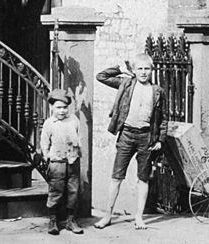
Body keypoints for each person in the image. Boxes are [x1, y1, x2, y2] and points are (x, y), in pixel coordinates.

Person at [94, 54, 168, 230]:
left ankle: (139, 218)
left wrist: (160, 140)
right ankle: (107, 216)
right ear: (134, 70)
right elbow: (101, 76)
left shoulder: (157, 91)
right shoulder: (126, 84)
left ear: (152, 70)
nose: (143, 72)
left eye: (147, 69)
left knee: (143, 178)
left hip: (146, 138)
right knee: (117, 177)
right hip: (126, 134)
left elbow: (163, 118)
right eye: (140, 68)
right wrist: (120, 68)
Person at [39, 88, 84, 235]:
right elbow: (44, 143)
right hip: (57, 162)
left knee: (73, 191)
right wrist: (47, 157)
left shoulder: (74, 120)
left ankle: (71, 220)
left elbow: (79, 138)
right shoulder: (49, 123)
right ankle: (53, 220)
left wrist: (76, 152)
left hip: (72, 161)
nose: (62, 111)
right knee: (56, 191)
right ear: (51, 107)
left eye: (65, 107)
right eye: (58, 107)